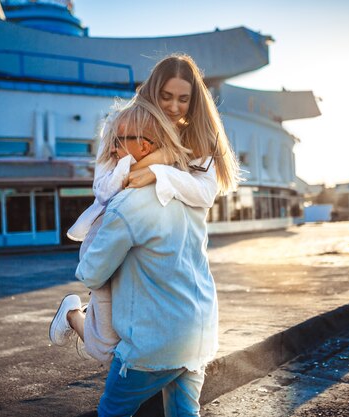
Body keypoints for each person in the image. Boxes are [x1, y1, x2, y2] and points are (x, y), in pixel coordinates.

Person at [49, 53, 240, 363]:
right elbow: (103, 188)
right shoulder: (123, 122)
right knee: (105, 346)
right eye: (166, 96)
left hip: (160, 250)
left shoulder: (195, 133)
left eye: (183, 99)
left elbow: (205, 193)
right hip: (112, 237)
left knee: (155, 337)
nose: (174, 106)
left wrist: (159, 167)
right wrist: (150, 159)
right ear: (153, 90)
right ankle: (72, 313)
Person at [75, 139, 219, 416]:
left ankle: (72, 315)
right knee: (184, 412)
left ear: (145, 144)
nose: (113, 150)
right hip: (197, 332)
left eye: (119, 142)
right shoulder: (189, 193)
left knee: (112, 412)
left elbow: (91, 274)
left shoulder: (128, 203)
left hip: (150, 345)